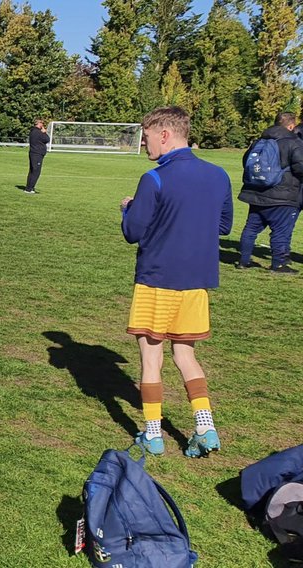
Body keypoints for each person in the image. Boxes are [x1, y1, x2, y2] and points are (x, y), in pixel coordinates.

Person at [120, 106, 232, 459]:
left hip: (157, 278)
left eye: (147, 135)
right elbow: (223, 225)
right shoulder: (219, 175)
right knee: (185, 355)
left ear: (165, 134)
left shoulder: (154, 179)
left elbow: (132, 232)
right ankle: (205, 427)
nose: (145, 143)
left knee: (151, 357)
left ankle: (153, 434)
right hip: (196, 283)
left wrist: (129, 208)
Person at [236, 111, 303, 273]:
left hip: (257, 193)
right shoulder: (293, 142)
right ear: (291, 126)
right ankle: (279, 263)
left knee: (251, 228)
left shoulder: (260, 139)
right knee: (280, 230)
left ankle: (243, 261)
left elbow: (247, 161)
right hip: (283, 194)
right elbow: (300, 166)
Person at [25, 119, 48, 194]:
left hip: (33, 152)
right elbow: (46, 139)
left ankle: (29, 187)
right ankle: (30, 188)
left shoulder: (32, 131)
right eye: (42, 123)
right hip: (37, 153)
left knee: (32, 170)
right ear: (39, 124)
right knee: (36, 171)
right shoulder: (38, 132)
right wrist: (44, 133)